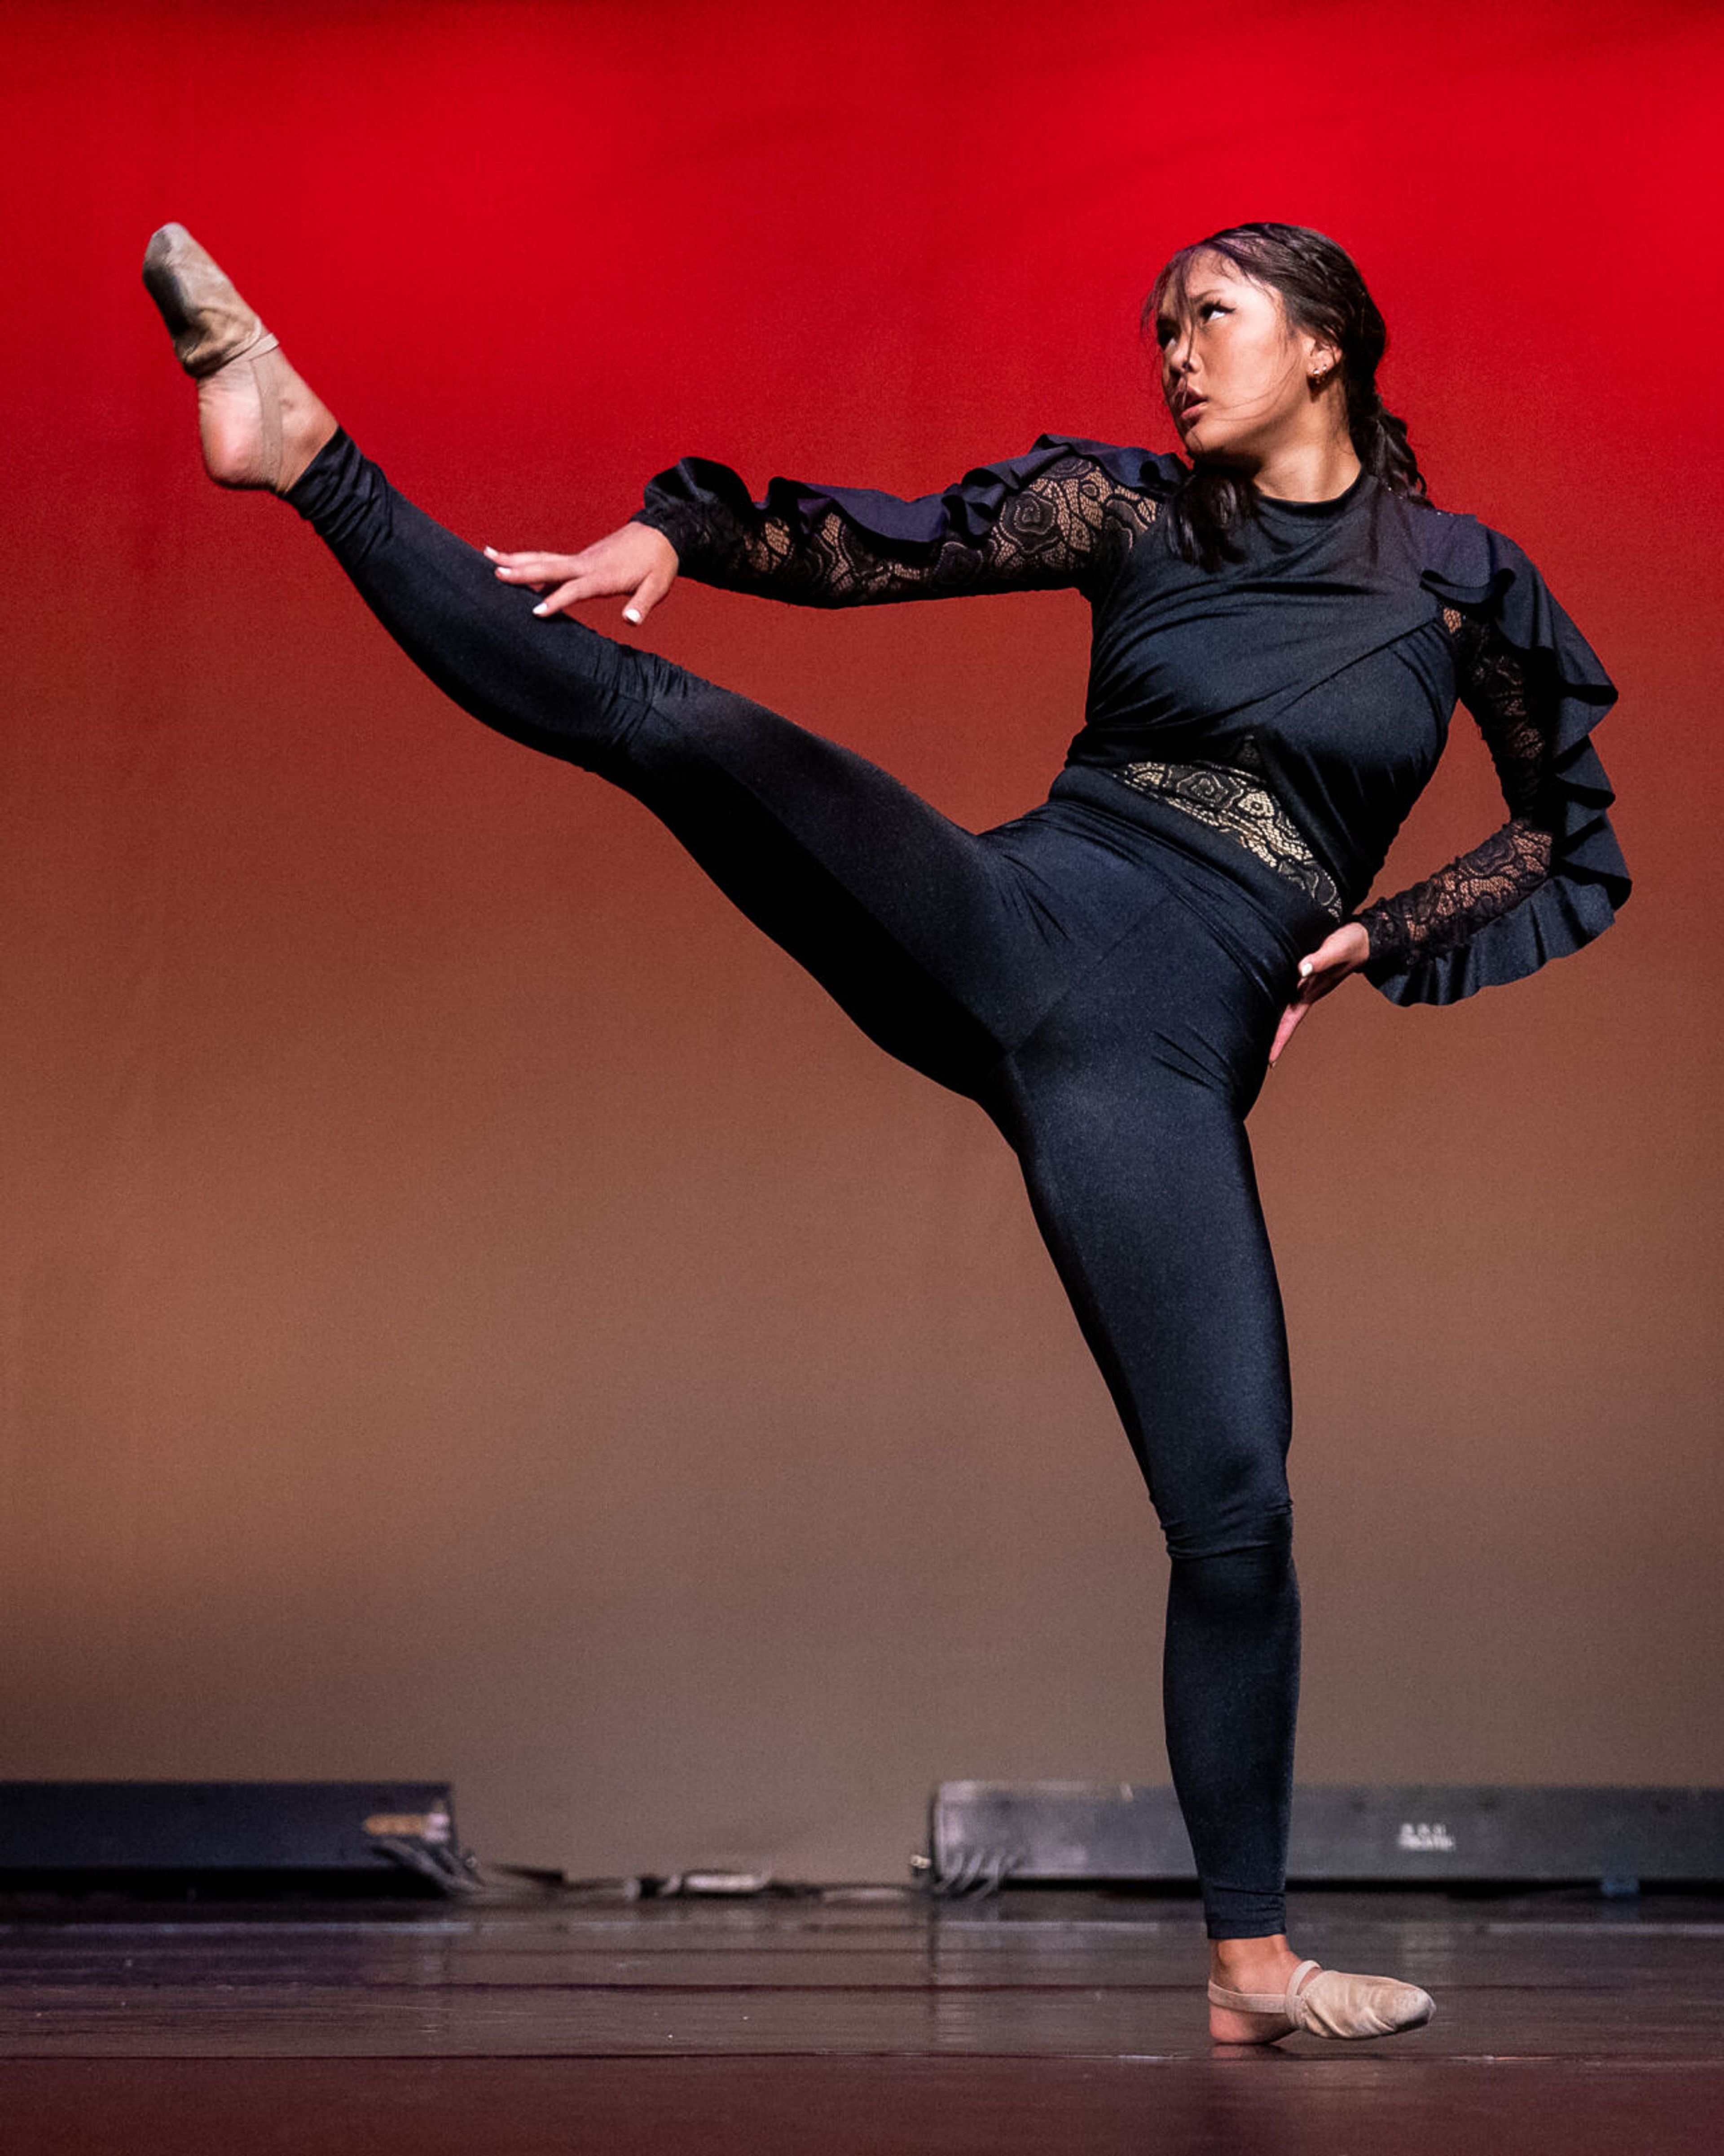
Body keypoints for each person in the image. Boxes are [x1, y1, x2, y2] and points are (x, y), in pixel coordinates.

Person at [140, 217, 1628, 2045]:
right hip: (1018, 924)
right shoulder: (1133, 513)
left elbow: (1566, 826)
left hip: (1156, 1059)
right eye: (1158, 325)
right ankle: (307, 453)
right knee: (676, 727)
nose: (1173, 352)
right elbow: (874, 546)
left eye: (1212, 320)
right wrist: (668, 534)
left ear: (1328, 346)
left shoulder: (1467, 587)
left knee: (1237, 1508)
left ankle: (1250, 1969)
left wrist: (1377, 932)